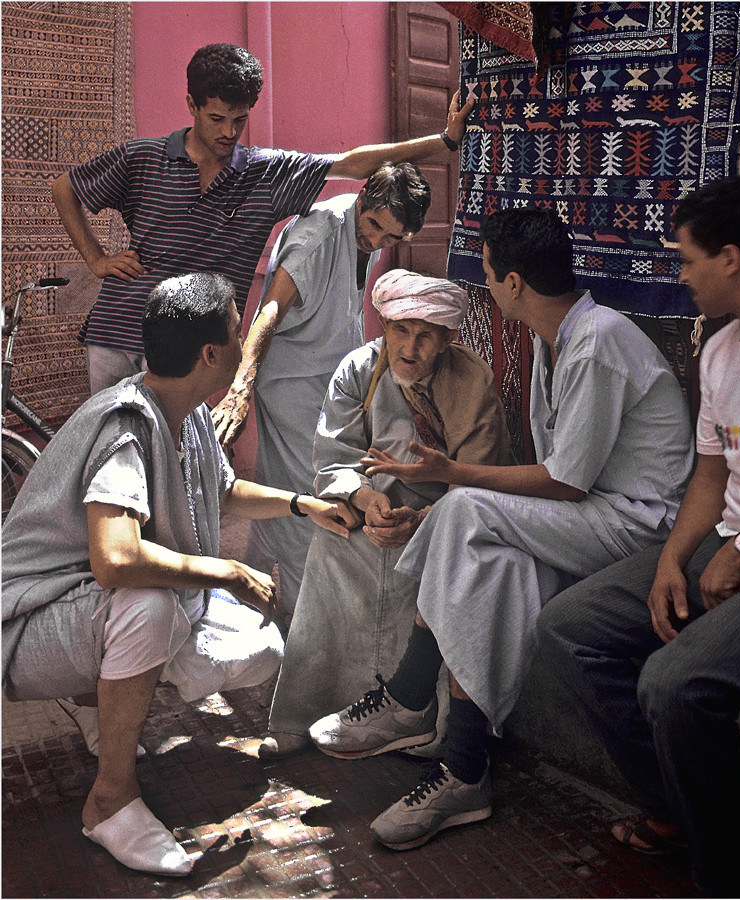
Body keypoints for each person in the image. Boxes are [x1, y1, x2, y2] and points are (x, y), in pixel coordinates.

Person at [308, 206, 695, 851]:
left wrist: (450, 475)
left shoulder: (597, 341)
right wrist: (431, 512)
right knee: (492, 566)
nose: (488, 287)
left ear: (513, 283)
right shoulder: (559, 340)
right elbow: (556, 480)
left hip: (634, 526)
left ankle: (407, 698)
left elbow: (565, 481)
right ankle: (465, 772)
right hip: (587, 516)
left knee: (463, 506)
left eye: (489, 275)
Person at [1, 272, 350, 877]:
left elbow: (225, 490)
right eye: (239, 329)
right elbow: (115, 559)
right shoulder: (126, 423)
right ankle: (110, 800)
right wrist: (226, 572)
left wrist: (304, 503)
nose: (245, 343)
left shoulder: (182, 409)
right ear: (211, 354)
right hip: (20, 627)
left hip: (76, 610)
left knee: (257, 646)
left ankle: (93, 699)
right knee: (150, 607)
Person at [536, 176, 740, 898]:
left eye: (686, 260)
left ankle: (730, 877)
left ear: (732, 258)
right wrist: (672, 563)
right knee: (570, 627)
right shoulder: (719, 351)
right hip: (731, 539)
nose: (679, 276)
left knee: (675, 684)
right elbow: (711, 477)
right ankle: (676, 808)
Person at [51, 42, 473, 394]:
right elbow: (64, 188)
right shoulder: (141, 157)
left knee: (179, 470)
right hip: (117, 328)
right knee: (111, 461)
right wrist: (97, 259)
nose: (229, 132)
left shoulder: (264, 173)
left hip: (196, 348)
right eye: (216, 118)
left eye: (240, 119)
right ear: (191, 106)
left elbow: (353, 164)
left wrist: (445, 141)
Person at [258, 268, 510, 758]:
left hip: (444, 516)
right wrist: (366, 499)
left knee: (438, 564)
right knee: (330, 545)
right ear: (385, 327)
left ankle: (419, 722)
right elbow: (334, 456)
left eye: (425, 336)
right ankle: (302, 712)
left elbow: (480, 477)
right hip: (369, 510)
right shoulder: (357, 369)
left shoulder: (471, 378)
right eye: (400, 330)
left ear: (445, 340)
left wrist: (422, 519)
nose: (410, 347)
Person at [212, 163, 432, 617]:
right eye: (373, 226)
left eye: (390, 238)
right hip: (293, 385)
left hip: (325, 379)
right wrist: (240, 387)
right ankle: (297, 618)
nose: (375, 241)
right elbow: (270, 308)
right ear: (364, 195)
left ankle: (238, 599)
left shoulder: (364, 233)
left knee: (285, 480)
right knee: (316, 490)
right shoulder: (320, 234)